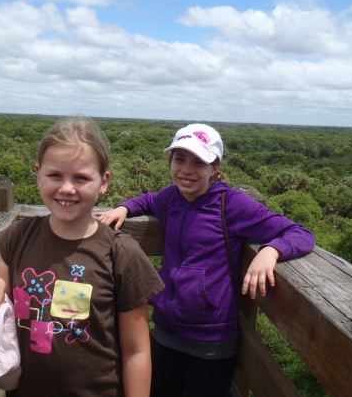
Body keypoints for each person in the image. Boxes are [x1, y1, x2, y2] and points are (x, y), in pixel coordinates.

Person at [0, 116, 164, 397]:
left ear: (104, 181)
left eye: (81, 177)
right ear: (38, 174)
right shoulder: (17, 237)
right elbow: (6, 307)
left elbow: (137, 351)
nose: (67, 188)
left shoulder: (121, 253)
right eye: (55, 175)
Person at [97, 123, 315, 397]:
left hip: (212, 341)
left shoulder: (232, 204)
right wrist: (125, 206)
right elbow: (149, 200)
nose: (187, 169)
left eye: (199, 161)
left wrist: (271, 251)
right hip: (165, 332)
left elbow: (300, 233)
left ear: (215, 168)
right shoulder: (170, 198)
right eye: (179, 159)